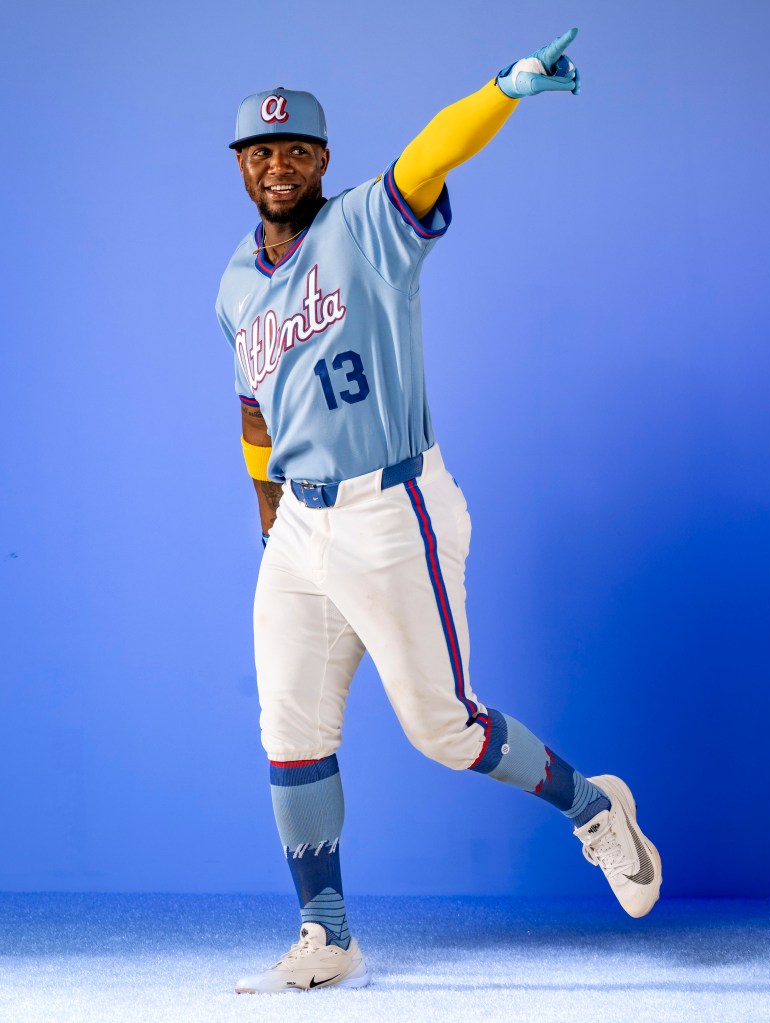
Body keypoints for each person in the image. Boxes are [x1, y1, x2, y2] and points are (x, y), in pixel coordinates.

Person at [215, 27, 661, 994]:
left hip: (393, 506)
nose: (278, 164)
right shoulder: (234, 285)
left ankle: (595, 806)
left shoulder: (365, 225)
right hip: (299, 524)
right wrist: (267, 513)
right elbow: (255, 410)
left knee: (444, 730)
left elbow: (430, 153)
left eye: (296, 150)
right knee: (288, 727)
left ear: (322, 160)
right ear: (241, 165)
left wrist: (502, 90)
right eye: (261, 150)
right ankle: (327, 932)